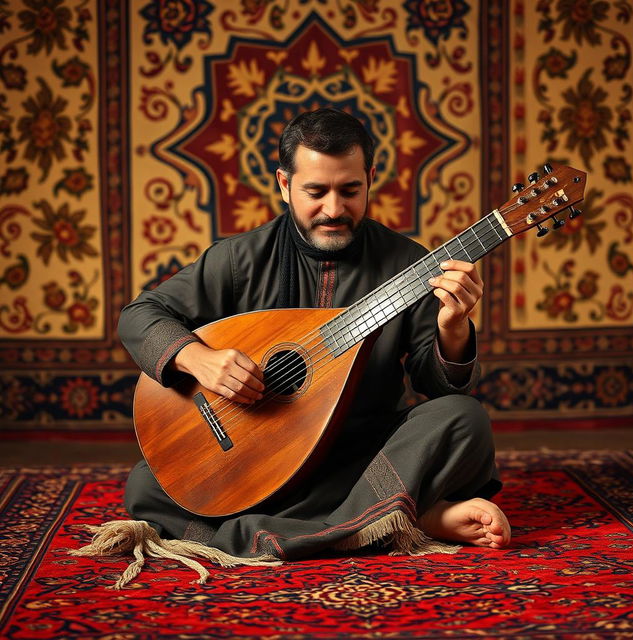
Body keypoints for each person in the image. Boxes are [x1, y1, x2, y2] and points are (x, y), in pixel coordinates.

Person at [107, 108, 509, 581]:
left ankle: (322, 525)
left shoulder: (408, 264)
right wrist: (200, 359)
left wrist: (454, 325)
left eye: (350, 190)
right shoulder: (240, 259)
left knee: (465, 420)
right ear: (284, 184)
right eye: (316, 192)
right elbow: (139, 316)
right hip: (254, 461)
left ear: (370, 178)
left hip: (365, 457)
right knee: (148, 485)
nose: (334, 209)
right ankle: (396, 519)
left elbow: (441, 388)